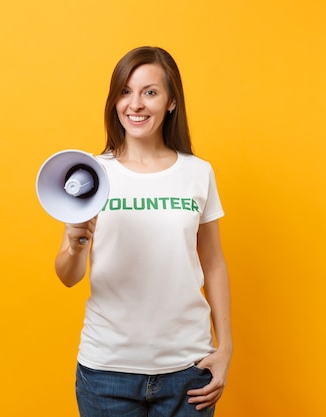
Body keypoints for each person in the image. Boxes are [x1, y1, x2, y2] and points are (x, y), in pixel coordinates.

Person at [54, 46, 232, 417]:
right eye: (125, 92)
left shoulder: (198, 173)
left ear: (170, 102)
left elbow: (213, 263)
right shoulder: (90, 174)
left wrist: (225, 347)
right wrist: (74, 245)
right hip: (107, 372)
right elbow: (69, 277)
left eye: (150, 92)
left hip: (188, 369)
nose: (135, 104)